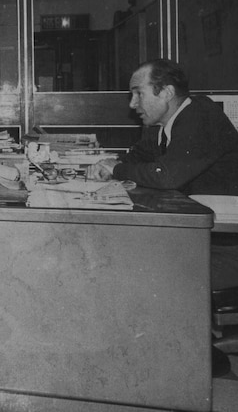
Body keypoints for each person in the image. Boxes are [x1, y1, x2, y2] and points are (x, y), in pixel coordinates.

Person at [87, 59, 238, 377]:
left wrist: (115, 170)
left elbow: (165, 174)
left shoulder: (200, 117)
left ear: (166, 91)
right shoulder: (174, 122)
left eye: (138, 94)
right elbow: (143, 154)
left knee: (130, 260)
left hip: (226, 244)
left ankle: (166, 356)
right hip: (205, 233)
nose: (132, 104)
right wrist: (112, 162)